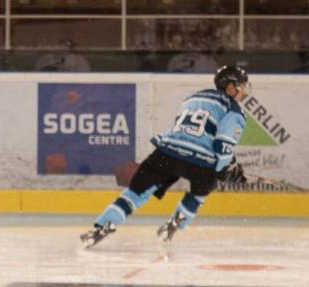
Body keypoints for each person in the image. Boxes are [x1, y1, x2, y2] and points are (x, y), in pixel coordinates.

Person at [80, 65, 249, 248]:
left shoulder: (193, 98)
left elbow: (187, 131)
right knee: (199, 192)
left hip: (168, 151)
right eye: (241, 86)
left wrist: (227, 164)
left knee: (135, 193)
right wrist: (222, 169)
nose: (244, 91)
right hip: (200, 161)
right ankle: (171, 227)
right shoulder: (234, 110)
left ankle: (100, 228)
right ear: (231, 87)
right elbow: (222, 147)